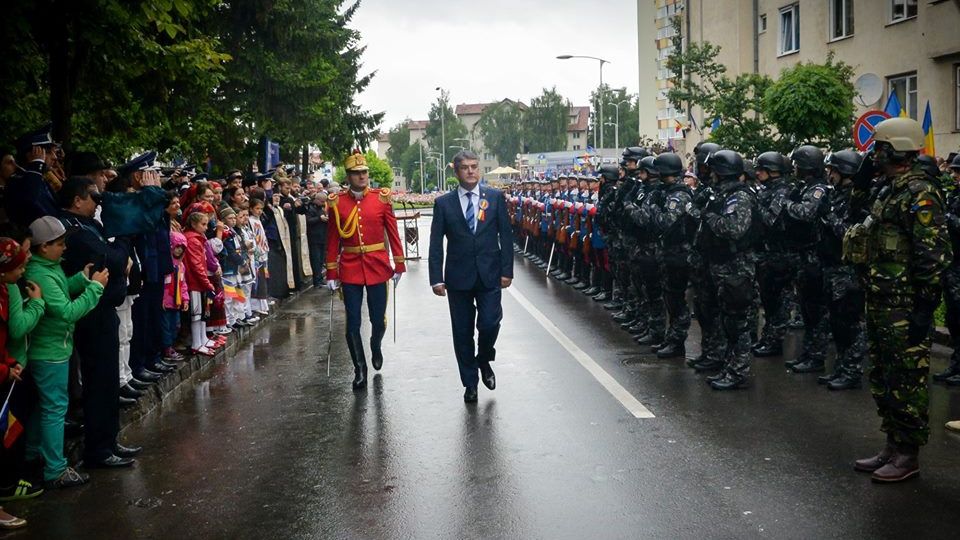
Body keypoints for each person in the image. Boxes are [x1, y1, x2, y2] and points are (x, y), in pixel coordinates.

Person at [845, 117, 952, 482]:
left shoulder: (920, 193)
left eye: (877, 148)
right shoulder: (889, 189)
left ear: (893, 149)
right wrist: (859, 183)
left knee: (906, 378)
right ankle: (892, 444)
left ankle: (908, 453)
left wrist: (925, 307)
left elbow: (932, 254)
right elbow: (853, 216)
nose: (873, 154)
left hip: (905, 304)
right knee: (884, 375)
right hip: (881, 298)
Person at [24, 216, 107, 488]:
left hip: (51, 350)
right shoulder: (41, 274)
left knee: (44, 407)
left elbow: (58, 293)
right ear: (43, 247)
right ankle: (55, 470)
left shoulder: (48, 268)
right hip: (50, 353)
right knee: (54, 409)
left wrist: (81, 280)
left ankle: (34, 455)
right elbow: (67, 313)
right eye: (59, 243)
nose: (64, 248)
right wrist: (95, 288)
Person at [429, 150, 514, 403]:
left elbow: (506, 237)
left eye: (474, 166)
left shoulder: (495, 198)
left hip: (489, 274)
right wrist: (436, 278)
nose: (470, 171)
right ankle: (470, 383)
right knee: (462, 332)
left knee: (490, 322)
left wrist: (507, 271)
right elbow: (435, 243)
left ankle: (485, 358)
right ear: (456, 171)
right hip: (458, 277)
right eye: (465, 167)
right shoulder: (444, 203)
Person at [325, 151, 405, 390]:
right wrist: (331, 272)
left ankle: (375, 343)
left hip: (377, 265)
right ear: (348, 176)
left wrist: (399, 264)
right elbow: (332, 240)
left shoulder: (381, 199)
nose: (362, 177)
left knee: (377, 319)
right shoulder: (337, 202)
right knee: (352, 322)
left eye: (364, 172)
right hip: (350, 268)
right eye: (357, 173)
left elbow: (392, 232)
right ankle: (359, 368)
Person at [0, 238, 45, 509]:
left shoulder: (6, 289)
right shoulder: (10, 291)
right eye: (18, 265)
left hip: (10, 367)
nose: (24, 268)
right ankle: (7, 484)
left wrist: (9, 361)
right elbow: (16, 328)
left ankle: (12, 478)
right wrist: (37, 304)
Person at [305, 192, 328, 288]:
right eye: (322, 201)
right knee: (316, 260)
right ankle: (316, 280)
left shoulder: (321, 209)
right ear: (317, 200)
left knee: (320, 260)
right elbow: (308, 221)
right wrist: (319, 218)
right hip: (314, 238)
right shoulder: (310, 208)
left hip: (322, 237)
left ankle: (320, 279)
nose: (323, 203)